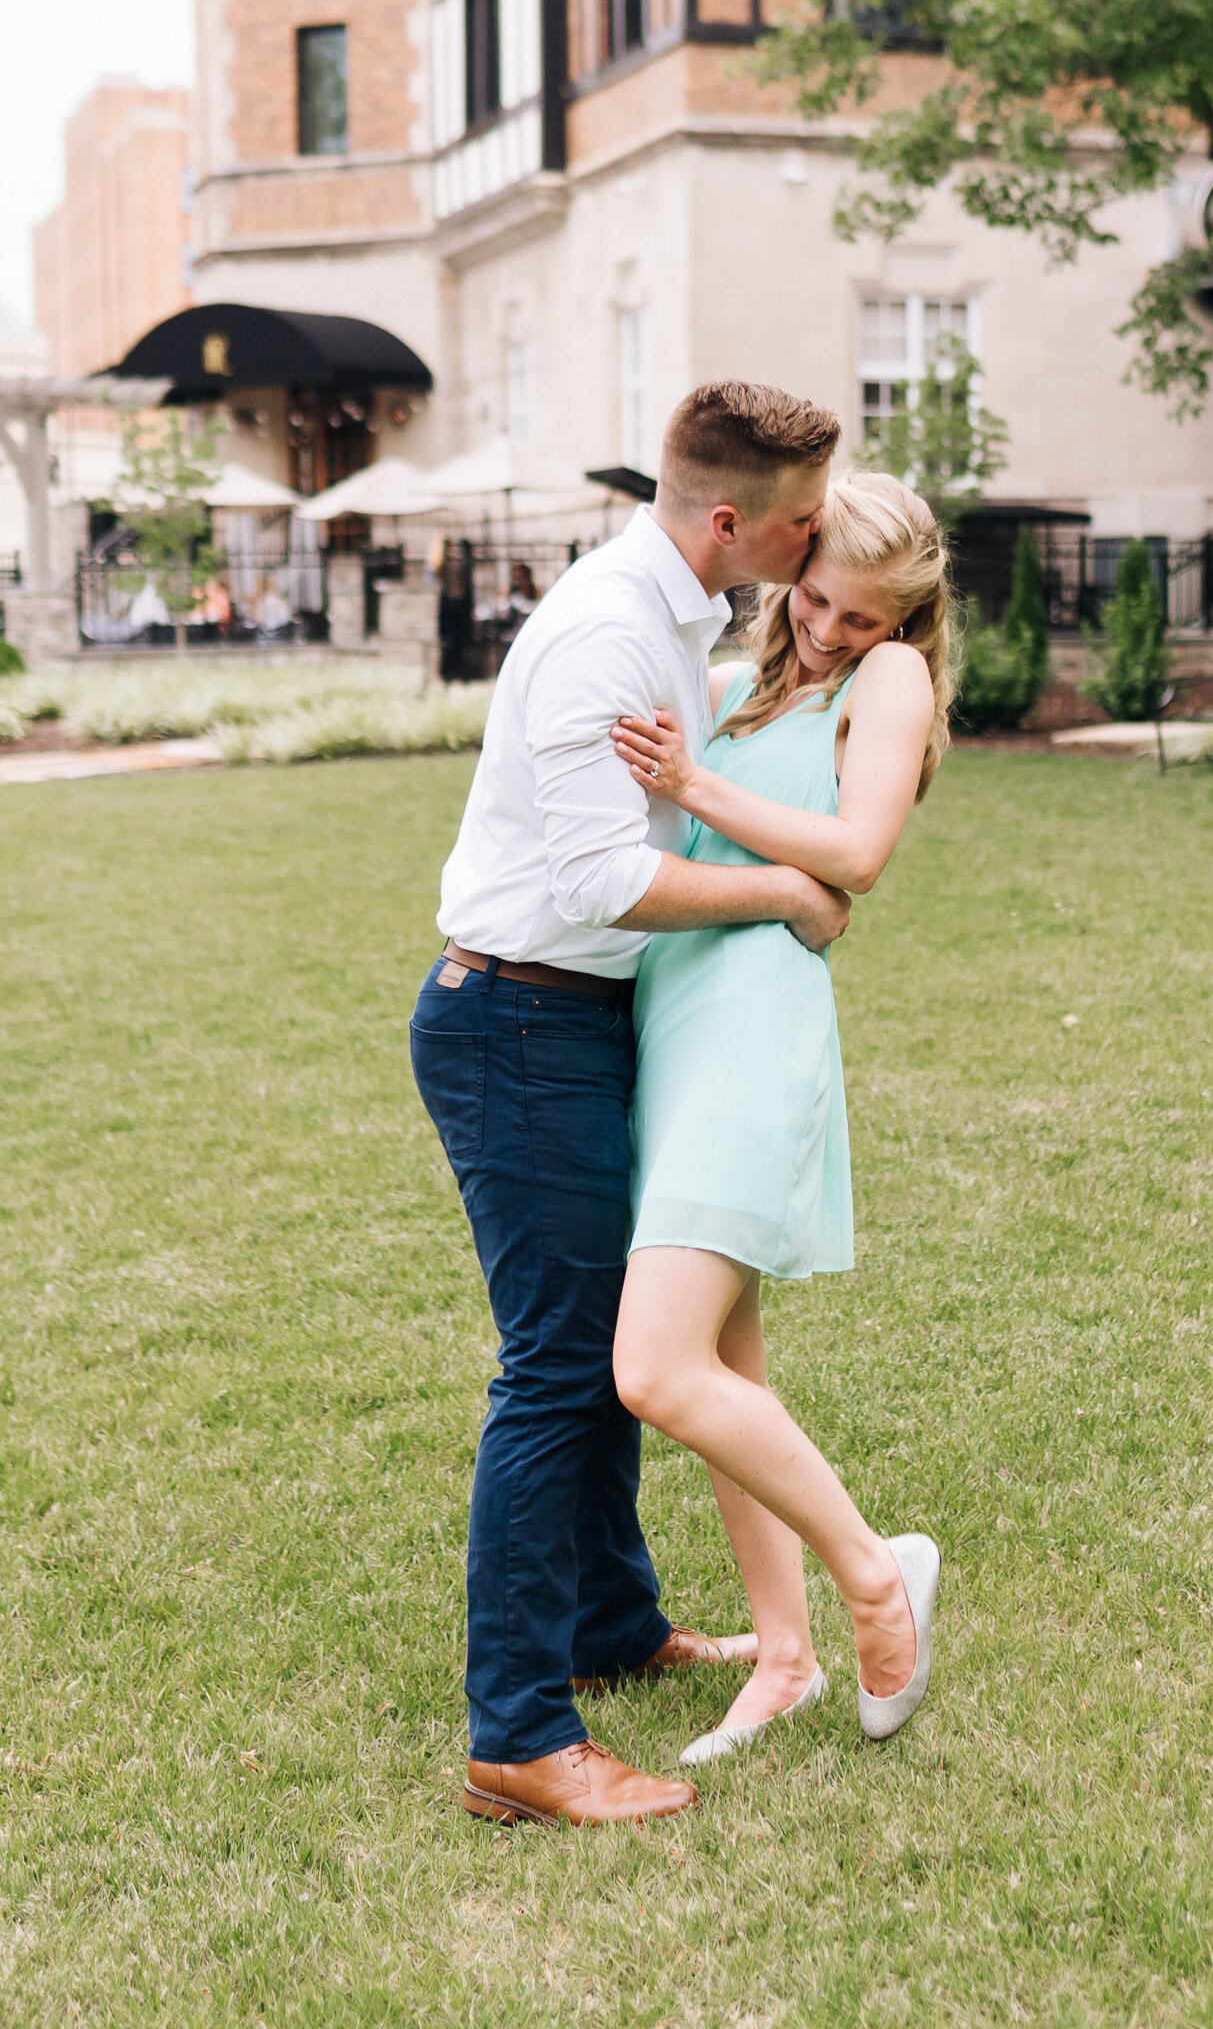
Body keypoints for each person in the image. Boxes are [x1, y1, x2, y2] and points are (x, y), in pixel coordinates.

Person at [409, 382, 849, 1831]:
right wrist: (784, 891)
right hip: (516, 1019)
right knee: (555, 1365)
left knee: (601, 1343)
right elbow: (609, 881)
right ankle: (520, 1739)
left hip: (575, 1017)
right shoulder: (610, 629)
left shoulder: (685, 612)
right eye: (802, 519)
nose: (818, 535)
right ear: (730, 520)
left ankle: (609, 1626)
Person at [608, 473, 952, 1766]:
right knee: (724, 1368)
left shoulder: (894, 684)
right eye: (815, 599)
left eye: (861, 620)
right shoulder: (746, 678)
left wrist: (701, 787)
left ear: (904, 621)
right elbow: (788, 875)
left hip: (753, 1039)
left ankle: (876, 1579)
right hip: (673, 1030)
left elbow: (853, 859)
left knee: (655, 1370)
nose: (826, 631)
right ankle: (787, 1652)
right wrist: (779, 878)